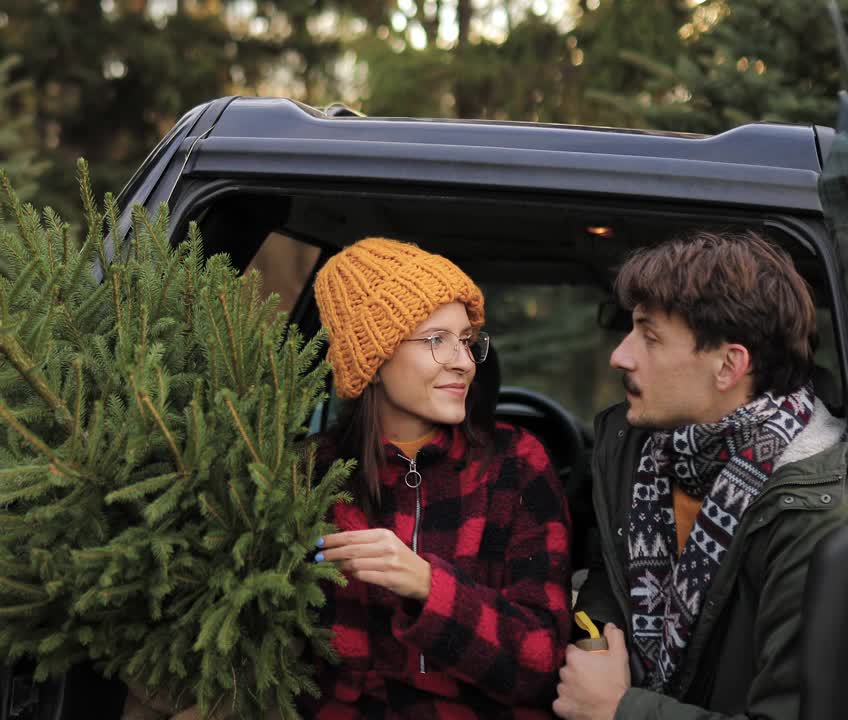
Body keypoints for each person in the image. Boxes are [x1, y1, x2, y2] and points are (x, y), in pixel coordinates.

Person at [556, 230, 848, 720]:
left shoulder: (817, 518)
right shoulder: (637, 450)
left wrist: (619, 710)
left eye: (649, 337)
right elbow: (617, 571)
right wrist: (595, 641)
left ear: (728, 365)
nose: (620, 356)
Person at [304, 236, 572, 719]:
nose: (464, 362)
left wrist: (427, 584)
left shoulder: (516, 465)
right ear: (374, 361)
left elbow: (541, 663)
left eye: (468, 342)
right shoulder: (310, 477)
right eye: (436, 340)